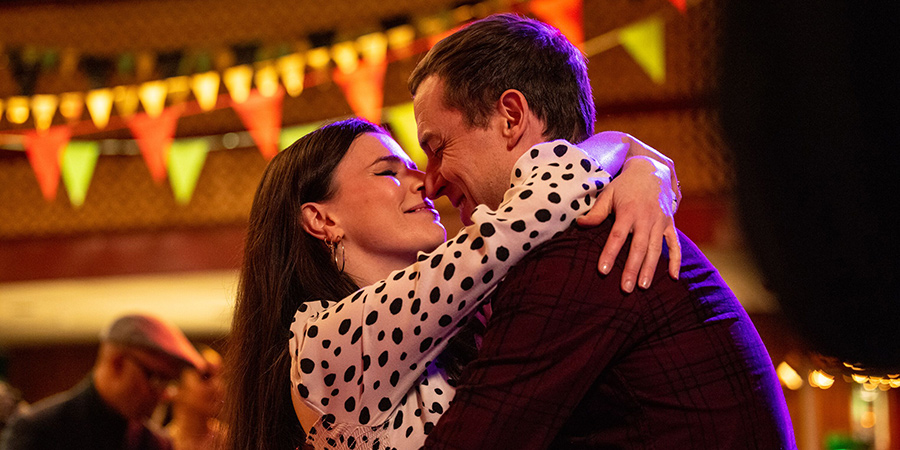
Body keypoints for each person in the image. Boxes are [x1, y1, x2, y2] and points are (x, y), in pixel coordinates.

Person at [406, 13, 796, 449]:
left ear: (511, 117)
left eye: (438, 148)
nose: (430, 182)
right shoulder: (577, 230)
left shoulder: (580, 247)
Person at [224, 116, 680, 450]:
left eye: (412, 167)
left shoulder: (457, 319)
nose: (425, 181)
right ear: (321, 218)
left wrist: (642, 168)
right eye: (387, 171)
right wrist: (626, 149)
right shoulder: (323, 338)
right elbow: (524, 220)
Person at [0, 313, 205, 450]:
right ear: (117, 363)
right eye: (155, 377)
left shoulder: (155, 443)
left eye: (169, 382)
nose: (163, 394)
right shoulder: (38, 431)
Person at [161, 345, 225, 450]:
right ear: (175, 386)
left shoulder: (232, 440)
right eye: (206, 376)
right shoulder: (159, 443)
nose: (219, 387)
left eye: (222, 376)